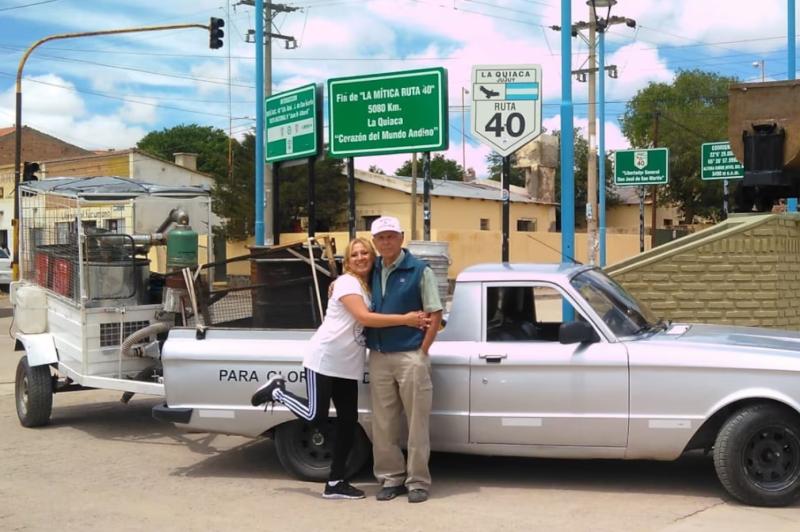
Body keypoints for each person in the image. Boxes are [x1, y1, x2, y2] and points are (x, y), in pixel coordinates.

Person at [251, 237, 429, 500]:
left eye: (365, 253)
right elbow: (365, 318)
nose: (360, 258)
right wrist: (407, 319)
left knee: (347, 423)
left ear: (373, 257)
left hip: (347, 365)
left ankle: (335, 482)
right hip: (324, 358)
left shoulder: (367, 285)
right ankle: (278, 393)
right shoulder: (346, 283)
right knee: (315, 415)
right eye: (354, 254)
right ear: (347, 261)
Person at [367, 216, 443, 504]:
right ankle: (390, 478)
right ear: (375, 242)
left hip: (410, 355)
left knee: (416, 423)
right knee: (383, 423)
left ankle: (418, 482)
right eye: (380, 238)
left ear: (401, 238)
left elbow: (434, 313)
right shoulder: (371, 269)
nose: (386, 242)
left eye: (391, 236)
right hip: (379, 355)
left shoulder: (418, 270)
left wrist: (422, 351)